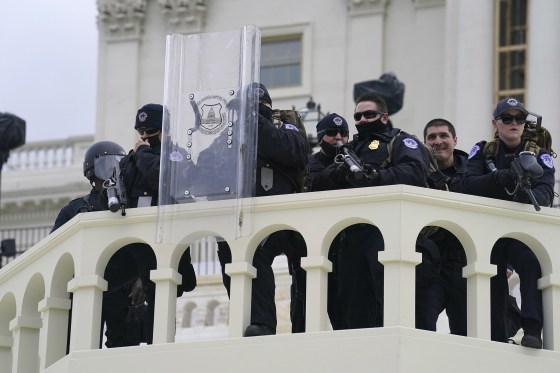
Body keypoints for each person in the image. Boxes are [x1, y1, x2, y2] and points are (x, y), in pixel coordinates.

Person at [313, 93, 428, 329]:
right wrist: (339, 173)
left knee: (388, 302)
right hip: (351, 234)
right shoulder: (348, 148)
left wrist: (376, 176)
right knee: (353, 308)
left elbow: (415, 172)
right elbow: (317, 184)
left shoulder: (400, 141)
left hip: (387, 233)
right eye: (357, 116)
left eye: (369, 114)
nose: (362, 120)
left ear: (384, 117)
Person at [217, 83, 310, 336]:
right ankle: (244, 317)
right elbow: (207, 161)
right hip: (242, 215)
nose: (254, 112)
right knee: (229, 252)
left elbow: (294, 152)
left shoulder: (284, 125)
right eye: (250, 108)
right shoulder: (232, 131)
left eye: (260, 107)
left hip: (281, 212)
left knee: (261, 253)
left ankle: (264, 324)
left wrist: (254, 120)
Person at [462, 97, 555, 349]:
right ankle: (495, 337)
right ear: (496, 123)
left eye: (519, 119)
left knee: (530, 262)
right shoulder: (484, 152)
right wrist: (499, 179)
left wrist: (523, 190)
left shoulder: (539, 155)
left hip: (522, 232)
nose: (514, 123)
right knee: (492, 278)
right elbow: (465, 185)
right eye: (507, 118)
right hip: (488, 233)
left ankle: (533, 329)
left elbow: (545, 195)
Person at [415, 118, 468, 335]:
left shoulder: (474, 171)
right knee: (421, 328)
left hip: (465, 262)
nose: (438, 141)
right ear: (425, 143)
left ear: (455, 140)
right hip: (430, 264)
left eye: (443, 136)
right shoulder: (415, 172)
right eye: (432, 137)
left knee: (470, 335)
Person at [307, 113, 350, 330]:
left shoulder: (354, 158)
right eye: (332, 134)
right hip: (322, 246)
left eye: (343, 133)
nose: (338, 138)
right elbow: (315, 185)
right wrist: (338, 168)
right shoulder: (311, 163)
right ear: (321, 137)